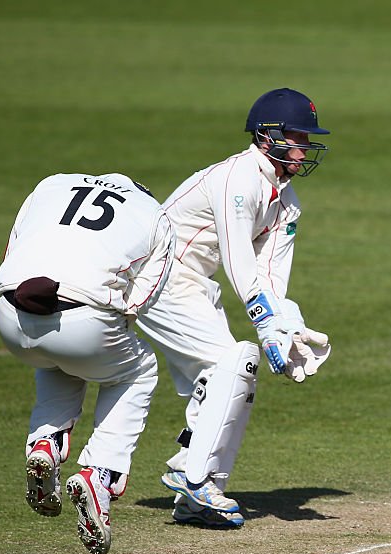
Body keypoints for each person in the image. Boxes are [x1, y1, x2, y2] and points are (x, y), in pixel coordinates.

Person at [136, 87, 331, 529]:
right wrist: (265, 329)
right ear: (268, 136)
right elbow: (239, 261)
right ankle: (192, 473)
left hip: (194, 285)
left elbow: (272, 280)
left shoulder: (288, 203)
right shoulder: (238, 179)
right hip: (157, 276)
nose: (306, 147)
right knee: (236, 362)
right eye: (299, 136)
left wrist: (289, 328)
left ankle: (195, 495)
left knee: (228, 380)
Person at [0, 172, 175, 554]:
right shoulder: (155, 214)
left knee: (54, 357)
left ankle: (46, 442)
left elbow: (12, 249)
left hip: (11, 314)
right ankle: (100, 474)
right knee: (138, 370)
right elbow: (142, 299)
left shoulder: (50, 185)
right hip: (84, 321)